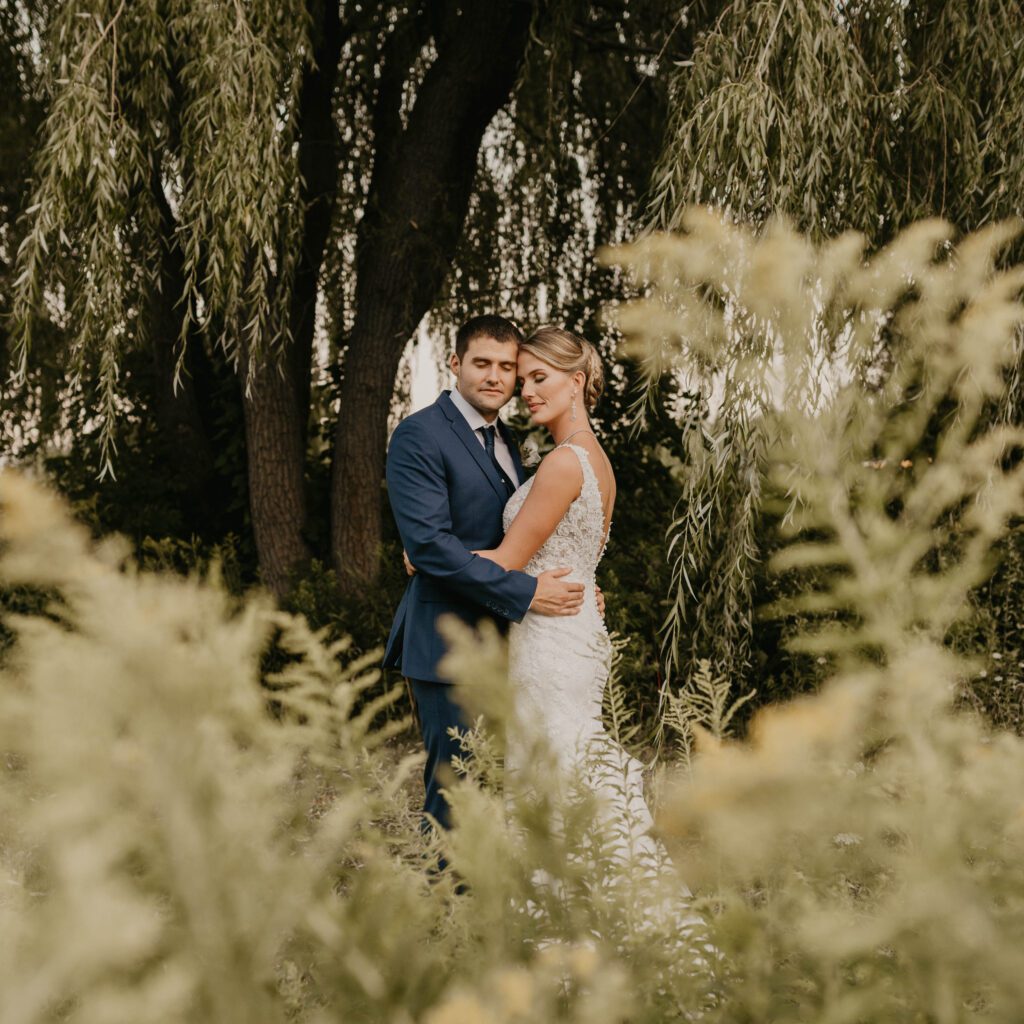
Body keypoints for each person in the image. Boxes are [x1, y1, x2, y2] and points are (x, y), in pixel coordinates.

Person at [384, 315, 587, 834]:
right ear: (455, 364)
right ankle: (441, 910)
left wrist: (580, 578)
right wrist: (528, 592)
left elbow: (519, 536)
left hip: (508, 644)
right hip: (445, 645)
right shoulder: (420, 435)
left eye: (506, 367)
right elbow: (429, 544)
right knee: (455, 792)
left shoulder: (509, 439)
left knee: (497, 788)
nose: (496, 377)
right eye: (482, 364)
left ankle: (482, 906)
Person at [475, 325, 665, 868]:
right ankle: (599, 891)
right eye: (523, 380)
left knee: (554, 766)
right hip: (573, 625)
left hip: (552, 637)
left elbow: (509, 561)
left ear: (577, 381)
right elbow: (574, 555)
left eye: (540, 377)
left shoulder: (562, 464)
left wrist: (427, 555)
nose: (526, 391)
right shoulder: (594, 460)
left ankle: (567, 903)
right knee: (571, 762)